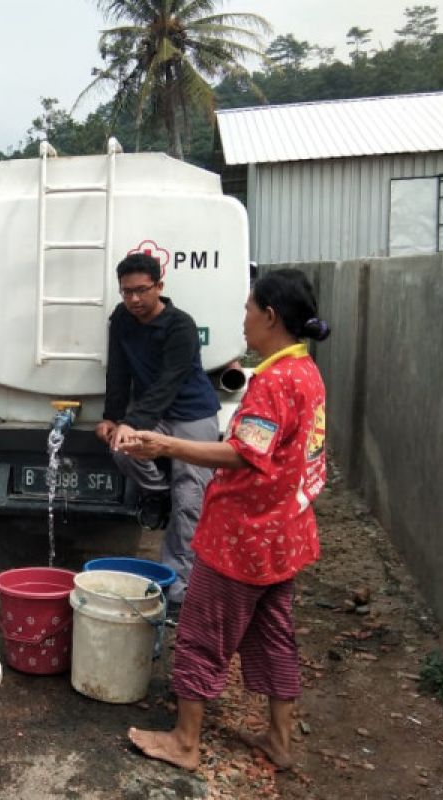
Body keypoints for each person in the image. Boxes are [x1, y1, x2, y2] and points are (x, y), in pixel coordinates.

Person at [120, 268, 331, 771]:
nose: (244, 320)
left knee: (200, 635)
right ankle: (280, 741)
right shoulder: (307, 373)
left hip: (243, 537)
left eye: (248, 310)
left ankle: (185, 743)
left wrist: (165, 445)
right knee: (273, 634)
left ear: (271, 316)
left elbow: (242, 454)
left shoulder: (274, 382)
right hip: (285, 535)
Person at [94, 252, 221, 609]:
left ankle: (179, 588)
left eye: (141, 290)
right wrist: (112, 418)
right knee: (121, 449)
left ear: (159, 287)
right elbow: (118, 372)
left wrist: (133, 423)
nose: (133, 299)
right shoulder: (121, 319)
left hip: (191, 414)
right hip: (153, 414)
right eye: (126, 292)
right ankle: (159, 492)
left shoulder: (180, 326)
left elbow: (168, 384)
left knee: (190, 499)